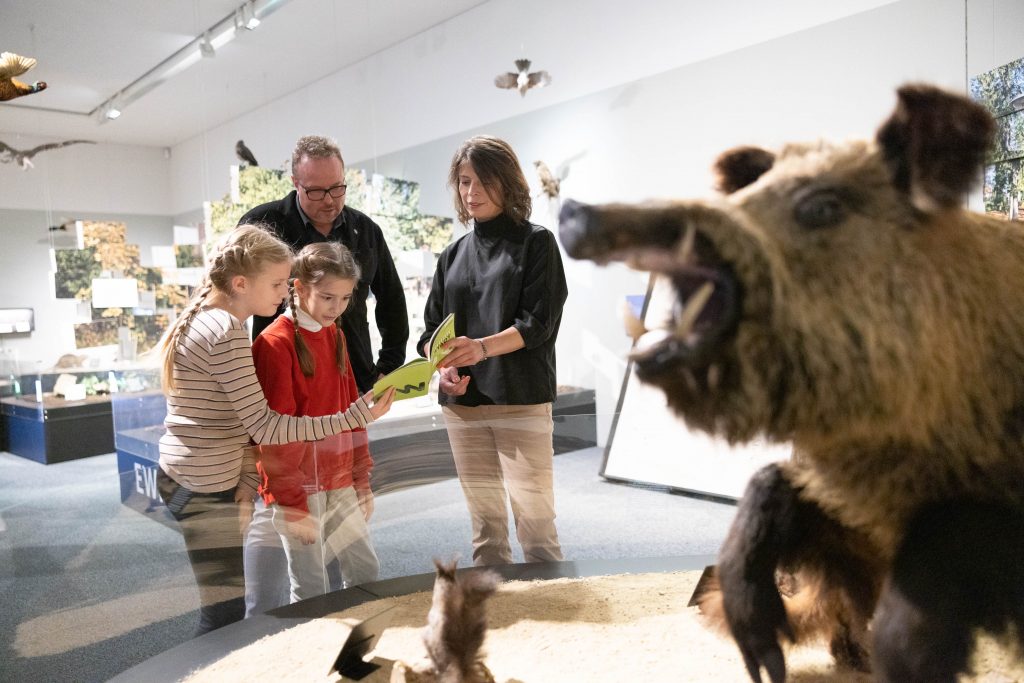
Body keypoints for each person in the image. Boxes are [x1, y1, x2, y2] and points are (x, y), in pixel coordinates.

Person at [157, 224, 395, 636]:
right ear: (240, 282)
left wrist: (251, 482)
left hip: (210, 477)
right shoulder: (234, 331)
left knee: (231, 608)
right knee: (228, 612)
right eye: (278, 283)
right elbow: (265, 425)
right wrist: (355, 418)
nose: (282, 291)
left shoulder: (209, 319)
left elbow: (238, 424)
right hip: (207, 481)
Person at [420, 135, 569, 567]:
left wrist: (481, 348)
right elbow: (431, 329)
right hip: (462, 405)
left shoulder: (537, 243)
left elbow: (538, 324)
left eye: (483, 181)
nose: (472, 192)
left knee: (537, 526)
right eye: (464, 182)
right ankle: (499, 623)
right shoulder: (451, 256)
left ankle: (560, 623)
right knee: (485, 531)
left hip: (520, 397)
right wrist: (442, 364)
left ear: (508, 183)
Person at [247, 242, 380, 611]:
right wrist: (291, 504)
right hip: (299, 488)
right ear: (299, 288)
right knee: (311, 587)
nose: (335, 309)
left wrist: (360, 478)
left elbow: (352, 411)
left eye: (345, 299)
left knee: (366, 571)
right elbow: (274, 435)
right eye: (326, 297)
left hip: (339, 479)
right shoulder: (274, 344)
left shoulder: (335, 333)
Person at [238, 135, 409, 394]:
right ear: (296, 183)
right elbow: (235, 298)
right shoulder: (262, 225)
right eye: (316, 192)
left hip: (353, 377)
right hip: (285, 378)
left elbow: (392, 299)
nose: (329, 200)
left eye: (337, 188)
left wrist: (390, 364)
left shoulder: (365, 230)